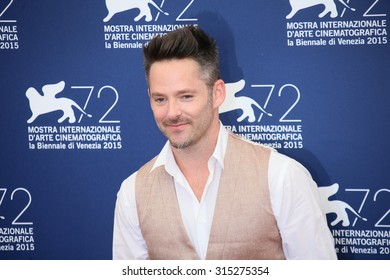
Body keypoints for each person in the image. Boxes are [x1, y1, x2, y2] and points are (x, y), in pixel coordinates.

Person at [113, 25, 337, 260]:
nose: (172, 112)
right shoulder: (133, 193)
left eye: (186, 96)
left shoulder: (281, 176)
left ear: (217, 93)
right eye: (160, 99)